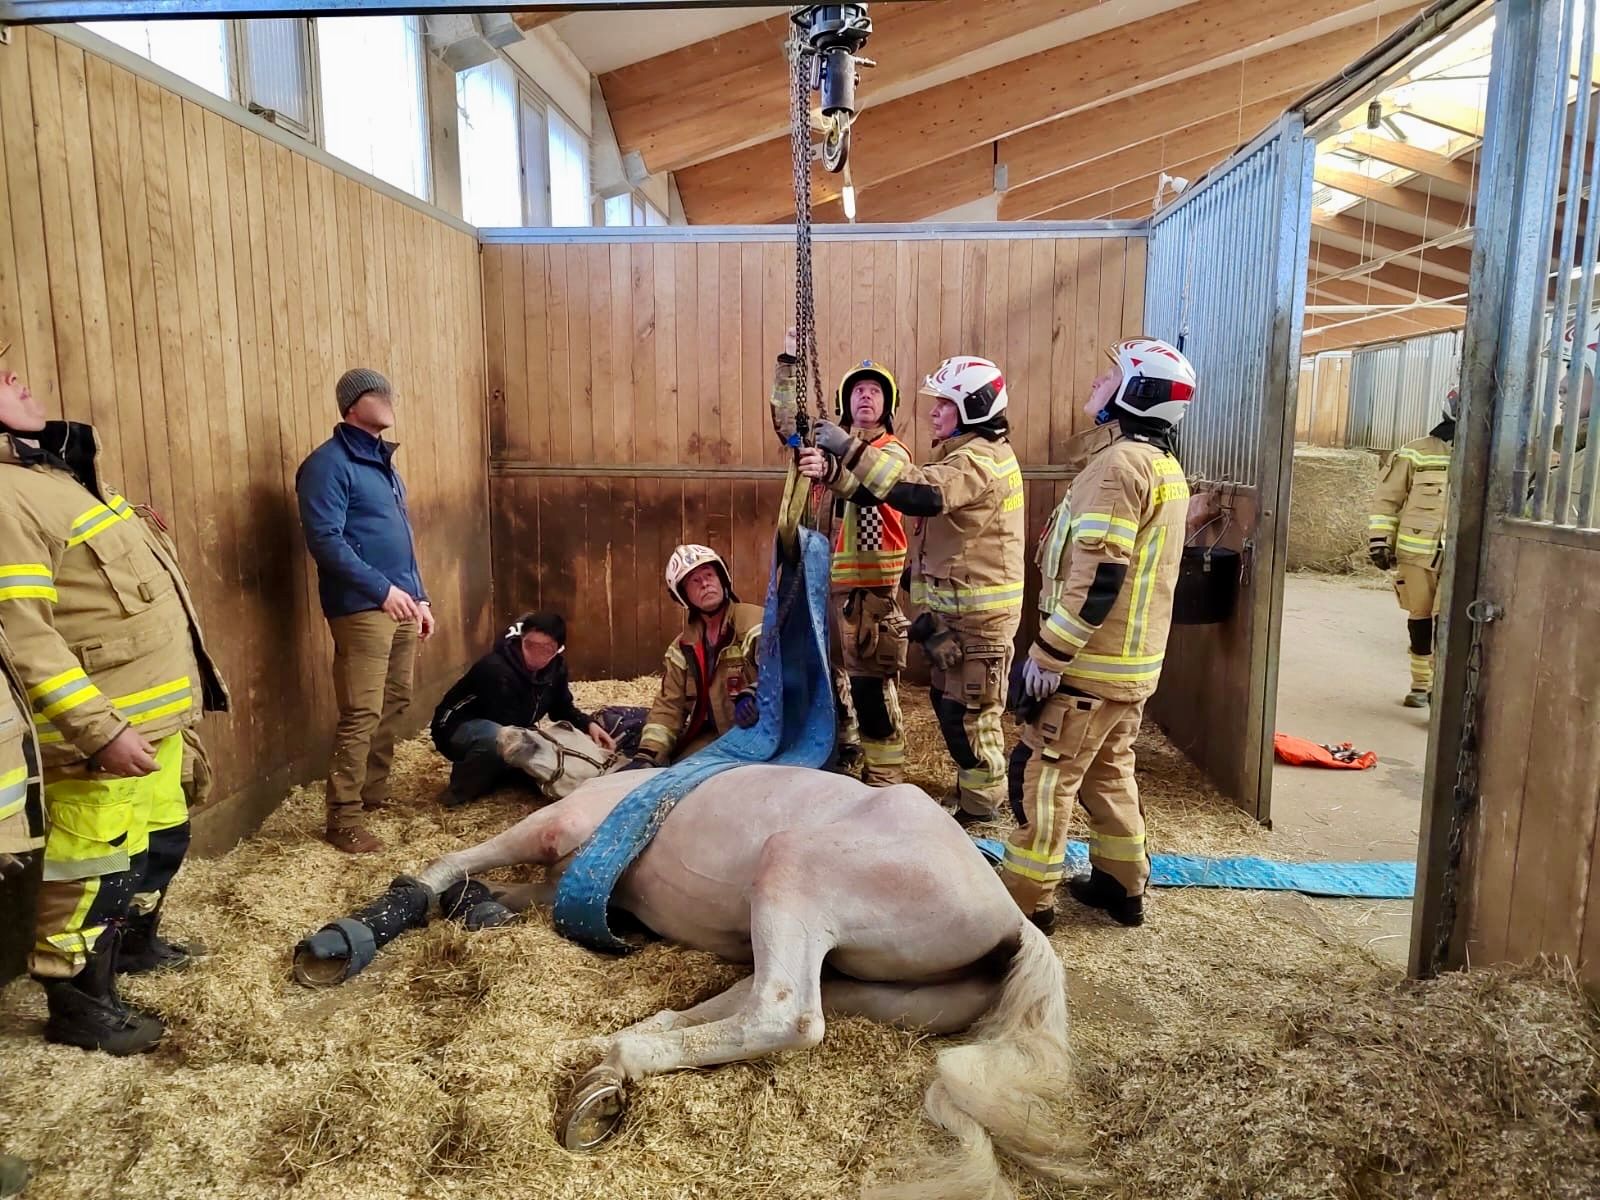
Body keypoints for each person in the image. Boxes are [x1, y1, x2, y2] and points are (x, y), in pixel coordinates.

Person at [0, 335, 229, 1053]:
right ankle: (79, 1005)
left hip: (150, 721)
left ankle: (134, 947)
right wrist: (97, 729)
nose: (16, 376)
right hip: (104, 734)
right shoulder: (6, 497)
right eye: (0, 377)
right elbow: (24, 637)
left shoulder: (58, 473)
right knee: (92, 867)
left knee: (161, 839)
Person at [1005, 338, 1195, 931]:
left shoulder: (1118, 467)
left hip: (1087, 668)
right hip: (1129, 672)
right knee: (1111, 772)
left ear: (1137, 393)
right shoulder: (1162, 467)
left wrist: (1049, 654)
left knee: (1048, 781)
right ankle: (1121, 885)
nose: (1096, 382)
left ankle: (1025, 903)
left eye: (1110, 375)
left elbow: (1100, 576)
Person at [804, 356, 1025, 822]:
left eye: (946, 403)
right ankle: (973, 798)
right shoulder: (961, 456)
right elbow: (874, 495)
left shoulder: (977, 461)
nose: (935, 411)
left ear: (972, 407)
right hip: (952, 613)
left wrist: (847, 450)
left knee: (969, 716)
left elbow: (915, 493)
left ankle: (983, 809)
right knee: (951, 710)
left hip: (975, 618)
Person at [296, 368, 434, 855]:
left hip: (398, 603)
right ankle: (343, 819)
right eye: (378, 394)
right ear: (353, 405)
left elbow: (403, 545)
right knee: (362, 710)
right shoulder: (327, 465)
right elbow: (325, 541)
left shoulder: (383, 466)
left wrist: (420, 598)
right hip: (363, 607)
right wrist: (381, 591)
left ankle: (372, 795)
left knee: (396, 701)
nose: (389, 400)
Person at [773, 330, 910, 784]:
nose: (865, 397)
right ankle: (848, 745)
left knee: (872, 684)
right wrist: (788, 363)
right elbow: (787, 424)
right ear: (845, 402)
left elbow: (870, 488)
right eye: (857, 391)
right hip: (828, 584)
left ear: (887, 404)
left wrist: (831, 468)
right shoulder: (831, 443)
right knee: (836, 674)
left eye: (874, 391)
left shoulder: (890, 454)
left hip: (871, 589)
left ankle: (885, 777)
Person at [430, 611, 616, 807]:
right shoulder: (496, 669)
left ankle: (499, 776)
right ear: (521, 640)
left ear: (558, 649)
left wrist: (589, 724)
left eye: (546, 649)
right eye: (530, 645)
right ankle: (458, 794)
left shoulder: (556, 669)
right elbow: (506, 724)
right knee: (501, 739)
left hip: (509, 727)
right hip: (456, 727)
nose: (535, 656)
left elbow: (561, 708)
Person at [627, 545, 763, 768]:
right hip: (716, 740)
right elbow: (668, 708)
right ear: (683, 596)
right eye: (694, 581)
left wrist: (756, 693)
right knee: (675, 777)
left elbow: (785, 670)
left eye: (709, 575)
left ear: (722, 579)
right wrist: (648, 755)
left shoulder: (755, 623)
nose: (705, 584)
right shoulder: (682, 648)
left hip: (761, 735)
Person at [1368, 388, 1456, 708]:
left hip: (1459, 554)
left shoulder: (1484, 452)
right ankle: (1421, 684)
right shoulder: (1416, 451)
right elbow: (1387, 499)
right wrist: (1379, 540)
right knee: (1421, 618)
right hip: (1416, 554)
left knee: (1448, 620)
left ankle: (1443, 689)